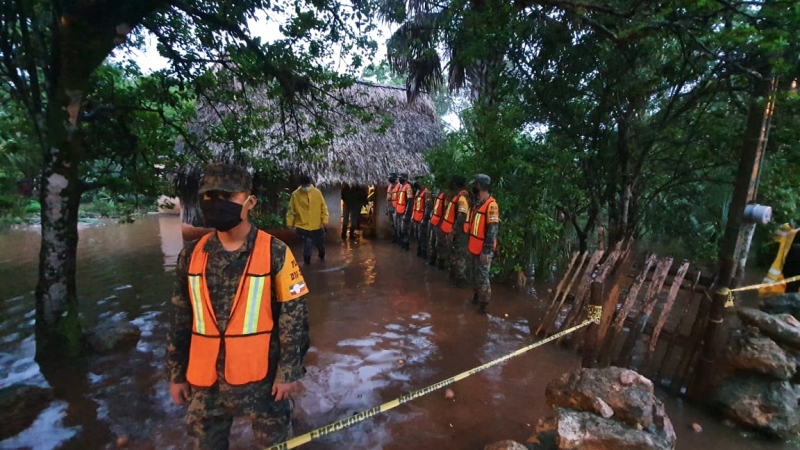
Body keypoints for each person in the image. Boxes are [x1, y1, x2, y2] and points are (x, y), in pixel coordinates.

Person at [166, 162, 310, 449]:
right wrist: (175, 374)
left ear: (250, 201)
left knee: (274, 444)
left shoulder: (275, 252)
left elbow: (294, 318)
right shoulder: (191, 256)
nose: (216, 202)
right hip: (205, 383)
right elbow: (180, 318)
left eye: (228, 196)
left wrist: (288, 373)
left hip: (264, 380)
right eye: (209, 196)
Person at [465, 174, 499, 314]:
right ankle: (476, 298)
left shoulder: (491, 205)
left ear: (478, 186)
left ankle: (483, 306)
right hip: (474, 246)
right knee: (474, 274)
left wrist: (486, 250)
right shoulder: (478, 204)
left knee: (483, 277)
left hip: (483, 249)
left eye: (475, 185)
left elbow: (493, 229)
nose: (473, 187)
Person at [286, 175, 329, 264]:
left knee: (320, 245)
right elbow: (291, 210)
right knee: (307, 244)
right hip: (302, 226)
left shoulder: (317, 193)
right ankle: (307, 262)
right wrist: (289, 223)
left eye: (307, 185)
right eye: (304, 186)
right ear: (301, 185)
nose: (306, 188)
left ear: (310, 183)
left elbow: (323, 207)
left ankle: (321, 256)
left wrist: (325, 220)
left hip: (316, 225)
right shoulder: (295, 195)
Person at [441, 176, 470, 286]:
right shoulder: (459, 196)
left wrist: (453, 231)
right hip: (456, 231)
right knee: (454, 255)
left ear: (456, 185)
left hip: (460, 232)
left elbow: (462, 215)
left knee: (460, 256)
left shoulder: (462, 197)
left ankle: (460, 280)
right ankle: (455, 277)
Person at [411, 176, 431, 258]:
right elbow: (415, 205)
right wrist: (412, 215)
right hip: (416, 217)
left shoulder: (427, 192)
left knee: (422, 236)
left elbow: (427, 207)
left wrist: (424, 219)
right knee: (417, 235)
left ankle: (424, 252)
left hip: (422, 219)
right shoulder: (417, 192)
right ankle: (419, 249)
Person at [428, 185, 447, 268]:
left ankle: (441, 262)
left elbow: (445, 211)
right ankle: (432, 259)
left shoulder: (445, 196)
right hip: (433, 221)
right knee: (432, 242)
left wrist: (441, 223)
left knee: (439, 244)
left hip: (440, 223)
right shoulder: (437, 194)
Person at [395, 172, 414, 251]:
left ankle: (406, 244)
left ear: (405, 179)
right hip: (399, 211)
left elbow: (410, 202)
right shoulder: (400, 187)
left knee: (404, 229)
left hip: (404, 212)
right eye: (399, 178)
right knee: (399, 229)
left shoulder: (408, 187)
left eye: (401, 178)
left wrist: (407, 214)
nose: (399, 179)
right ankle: (402, 243)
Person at [386, 172, 399, 243]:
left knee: (397, 224)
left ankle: (398, 238)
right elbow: (387, 198)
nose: (390, 178)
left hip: (396, 208)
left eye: (391, 177)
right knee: (392, 224)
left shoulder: (399, 186)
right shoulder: (389, 186)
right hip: (390, 207)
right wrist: (387, 208)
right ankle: (394, 238)